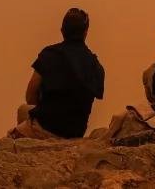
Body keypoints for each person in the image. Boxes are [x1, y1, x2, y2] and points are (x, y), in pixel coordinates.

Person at [9, 8, 105, 139]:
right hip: (75, 132)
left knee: (23, 110)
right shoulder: (95, 65)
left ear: (62, 30)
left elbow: (31, 92)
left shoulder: (49, 54)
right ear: (85, 33)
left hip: (45, 127)